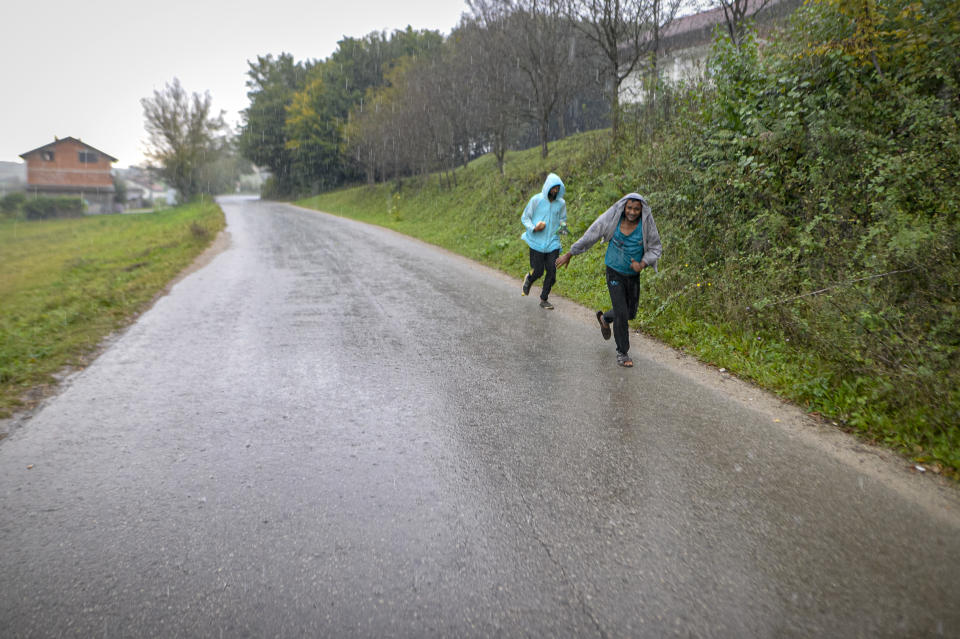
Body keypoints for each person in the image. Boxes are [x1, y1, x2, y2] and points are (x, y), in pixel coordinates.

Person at [555, 193, 661, 368]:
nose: (632, 212)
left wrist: (643, 263)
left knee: (630, 313)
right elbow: (593, 233)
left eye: (636, 209)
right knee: (621, 313)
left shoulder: (646, 225)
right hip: (614, 272)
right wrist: (571, 253)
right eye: (629, 208)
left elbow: (656, 247)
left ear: (641, 210)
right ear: (624, 207)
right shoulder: (613, 219)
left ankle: (604, 318)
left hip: (633, 275)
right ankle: (622, 352)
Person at [520, 173, 568, 310]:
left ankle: (544, 299)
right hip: (536, 242)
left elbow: (563, 219)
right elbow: (525, 218)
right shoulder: (536, 200)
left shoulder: (561, 203)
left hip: (553, 243)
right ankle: (529, 278)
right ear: (548, 187)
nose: (555, 191)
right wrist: (534, 228)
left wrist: (562, 231)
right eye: (553, 188)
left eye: (558, 188)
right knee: (539, 271)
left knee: (552, 272)